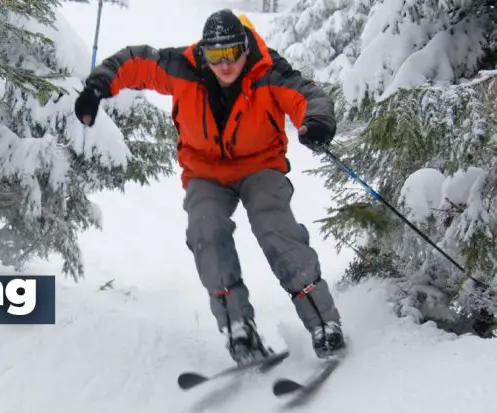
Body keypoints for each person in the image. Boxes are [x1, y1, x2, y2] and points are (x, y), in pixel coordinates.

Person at [73, 9, 346, 363]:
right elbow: (136, 62)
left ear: (245, 48)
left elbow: (306, 95)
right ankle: (238, 327)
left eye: (232, 53)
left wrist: (316, 122)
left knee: (273, 227)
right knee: (206, 230)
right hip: (206, 172)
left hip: (260, 165)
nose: (225, 64)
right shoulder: (183, 68)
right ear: (204, 53)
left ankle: (323, 322)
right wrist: (98, 86)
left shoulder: (267, 72)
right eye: (216, 55)